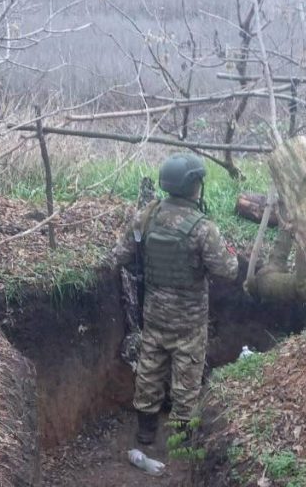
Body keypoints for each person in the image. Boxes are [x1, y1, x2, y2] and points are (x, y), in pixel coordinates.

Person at [108, 153, 239, 445]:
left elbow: (118, 256)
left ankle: (145, 432)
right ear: (194, 184)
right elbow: (228, 270)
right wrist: (229, 252)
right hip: (190, 321)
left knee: (150, 368)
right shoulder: (203, 228)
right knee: (187, 376)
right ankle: (181, 438)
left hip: (153, 314)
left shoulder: (146, 216)